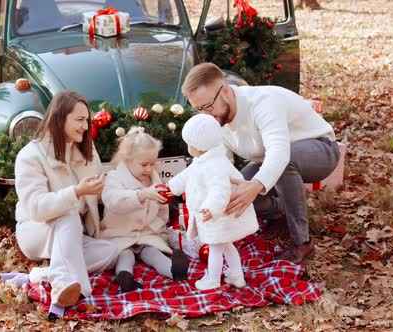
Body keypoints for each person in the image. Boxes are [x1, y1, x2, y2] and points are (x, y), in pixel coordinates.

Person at [181, 63, 340, 264]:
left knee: (282, 164)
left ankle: (302, 242)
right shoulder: (214, 120)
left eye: (208, 107)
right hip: (277, 160)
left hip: (321, 150)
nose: (205, 115)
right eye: (198, 109)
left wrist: (255, 186)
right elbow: (221, 164)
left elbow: (279, 153)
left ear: (226, 91)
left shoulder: (263, 102)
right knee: (235, 191)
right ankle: (280, 211)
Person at [1, 90, 118, 319]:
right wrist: (76, 192)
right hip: (37, 230)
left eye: (87, 120)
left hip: (71, 236)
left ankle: (43, 275)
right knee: (69, 215)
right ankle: (62, 292)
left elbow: (97, 195)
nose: (85, 126)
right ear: (60, 117)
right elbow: (36, 208)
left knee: (109, 251)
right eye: (80, 119)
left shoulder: (86, 151)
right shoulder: (31, 155)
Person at [168, 114, 259, 290]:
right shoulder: (202, 161)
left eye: (189, 143)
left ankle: (213, 279)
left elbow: (220, 191)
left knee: (215, 247)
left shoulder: (215, 166)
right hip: (218, 216)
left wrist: (211, 209)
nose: (188, 147)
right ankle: (236, 275)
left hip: (218, 216)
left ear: (200, 146)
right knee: (226, 245)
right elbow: (186, 176)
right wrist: (171, 187)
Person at [100, 127, 189, 292]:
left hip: (148, 233)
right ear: (127, 160)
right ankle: (125, 277)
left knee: (153, 253)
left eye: (152, 164)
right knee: (124, 255)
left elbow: (162, 211)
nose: (149, 169)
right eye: (144, 164)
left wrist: (160, 231)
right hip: (121, 233)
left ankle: (174, 271)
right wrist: (141, 195)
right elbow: (113, 201)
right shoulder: (114, 178)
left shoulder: (154, 179)